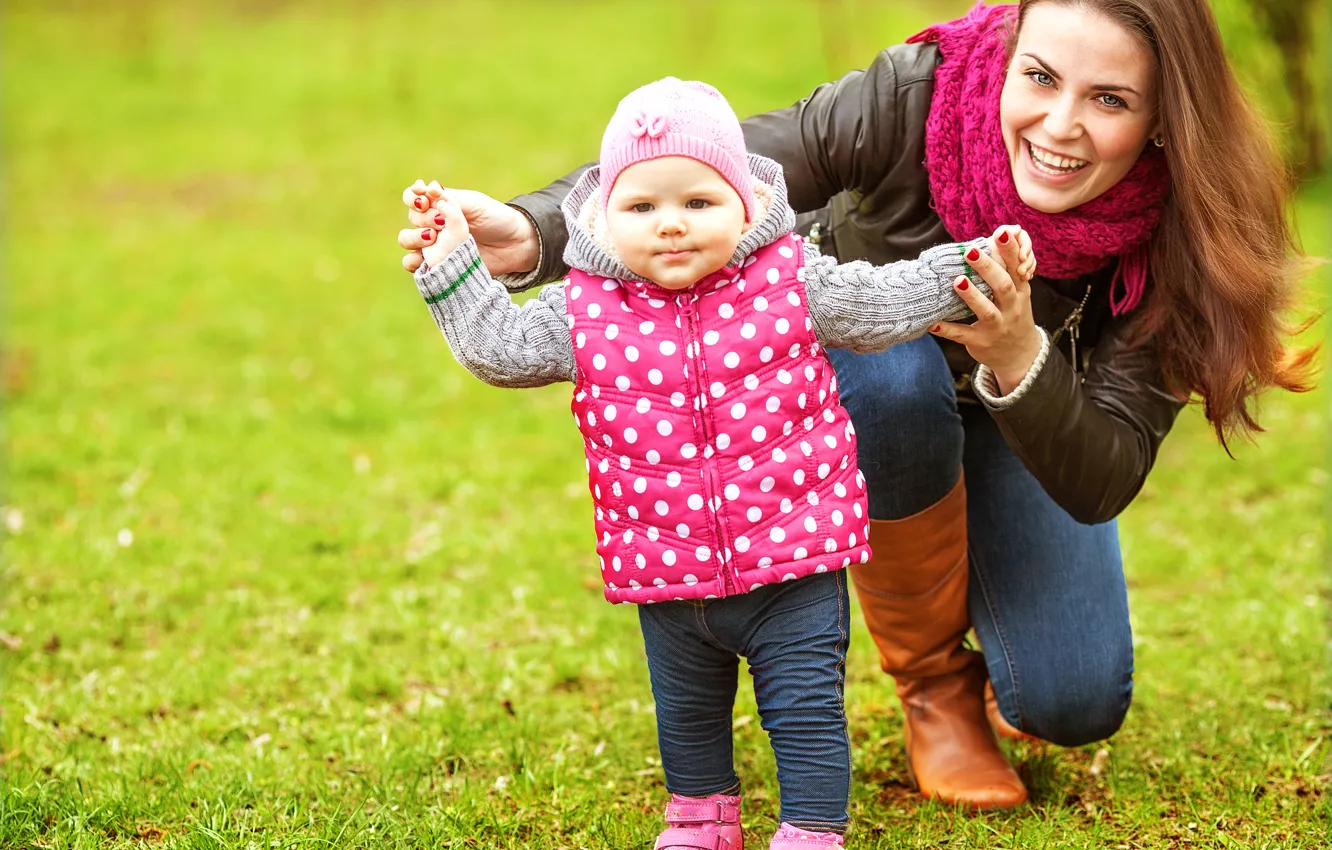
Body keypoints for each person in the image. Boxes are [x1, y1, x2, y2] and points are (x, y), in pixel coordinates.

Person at [398, 0, 1317, 811]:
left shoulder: (1187, 232)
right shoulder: (920, 92)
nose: (1060, 125)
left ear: (1164, 120)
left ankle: (1005, 644)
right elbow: (720, 164)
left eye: (1110, 100)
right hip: (868, 389)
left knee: (1070, 701)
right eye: (1039, 77)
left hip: (1027, 419)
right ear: (1007, 58)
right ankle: (934, 686)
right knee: (889, 375)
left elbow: (1105, 473)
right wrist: (533, 231)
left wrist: (1021, 352)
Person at [401, 77, 1032, 847]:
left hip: (794, 561)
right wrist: (452, 266)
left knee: (803, 707)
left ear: (747, 204)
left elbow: (878, 302)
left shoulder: (791, 281)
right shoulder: (587, 309)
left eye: (698, 203)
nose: (671, 226)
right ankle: (700, 816)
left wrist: (966, 268)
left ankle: (811, 827)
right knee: (687, 709)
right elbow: (499, 351)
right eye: (643, 207)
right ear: (603, 216)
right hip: (666, 565)